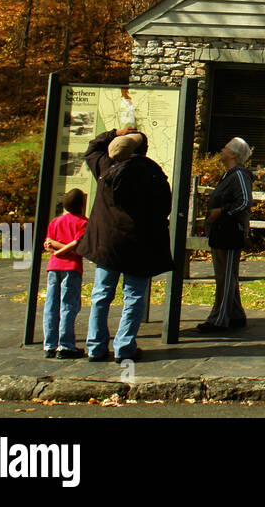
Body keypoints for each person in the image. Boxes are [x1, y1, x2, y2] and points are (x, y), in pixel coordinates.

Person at [77, 126, 174, 362]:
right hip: (139, 244)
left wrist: (114, 133)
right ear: (143, 150)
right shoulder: (152, 173)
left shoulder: (104, 168)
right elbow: (164, 208)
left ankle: (96, 346)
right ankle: (124, 346)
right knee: (134, 296)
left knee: (101, 295)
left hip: (107, 246)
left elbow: (92, 147)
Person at [194, 137, 254, 334]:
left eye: (226, 147)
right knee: (225, 275)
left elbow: (245, 201)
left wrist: (223, 211)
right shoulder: (229, 175)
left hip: (230, 232)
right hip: (220, 232)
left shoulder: (239, 175)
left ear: (234, 154)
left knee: (225, 277)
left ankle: (219, 319)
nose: (222, 149)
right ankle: (236, 314)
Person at [42, 188, 88, 359]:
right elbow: (78, 247)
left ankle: (49, 345)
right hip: (72, 267)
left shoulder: (56, 222)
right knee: (68, 305)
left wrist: (57, 248)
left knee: (51, 305)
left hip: (54, 266)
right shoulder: (84, 222)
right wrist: (64, 249)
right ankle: (66, 345)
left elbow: (48, 244)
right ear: (83, 204)